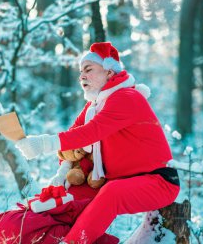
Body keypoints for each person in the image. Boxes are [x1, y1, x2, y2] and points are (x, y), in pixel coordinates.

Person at [15, 42, 180, 244]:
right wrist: (62, 174)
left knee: (112, 194)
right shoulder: (95, 105)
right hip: (118, 179)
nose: (82, 76)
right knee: (68, 199)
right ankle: (30, 236)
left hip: (158, 182)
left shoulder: (127, 97)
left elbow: (91, 133)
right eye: (80, 71)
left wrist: (42, 144)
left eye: (88, 69)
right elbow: (73, 136)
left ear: (110, 72)